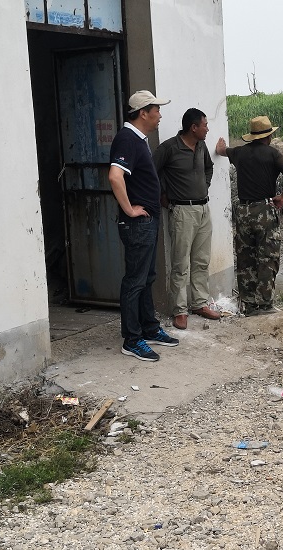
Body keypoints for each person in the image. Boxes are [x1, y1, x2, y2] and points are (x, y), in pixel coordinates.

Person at [108, 90, 180, 362]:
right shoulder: (127, 139)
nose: (160, 115)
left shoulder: (138, 139)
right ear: (143, 113)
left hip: (147, 221)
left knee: (147, 277)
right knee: (135, 281)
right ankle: (132, 339)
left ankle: (149, 328)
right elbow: (115, 177)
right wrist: (129, 209)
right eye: (156, 110)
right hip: (137, 223)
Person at [215, 116, 283, 315]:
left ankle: (249, 305)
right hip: (264, 210)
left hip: (243, 212)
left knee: (245, 258)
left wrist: (221, 147)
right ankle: (265, 304)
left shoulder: (239, 153)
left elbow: (221, 151)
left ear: (252, 136)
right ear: (268, 136)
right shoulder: (272, 154)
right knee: (267, 257)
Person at [153, 108, 220, 330]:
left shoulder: (201, 146)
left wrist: (205, 186)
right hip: (182, 212)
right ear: (193, 127)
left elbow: (208, 168)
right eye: (204, 125)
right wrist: (163, 194)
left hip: (203, 209)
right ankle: (180, 310)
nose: (207, 129)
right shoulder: (169, 148)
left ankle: (200, 303)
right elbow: (152, 172)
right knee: (180, 263)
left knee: (201, 260)